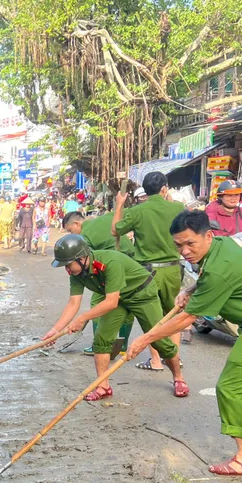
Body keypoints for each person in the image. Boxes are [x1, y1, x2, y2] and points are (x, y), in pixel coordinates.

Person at [127, 210, 242, 476]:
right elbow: (209, 276)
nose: (184, 251)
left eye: (190, 243)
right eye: (179, 245)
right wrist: (190, 289)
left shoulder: (220, 267)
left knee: (230, 387)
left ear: (208, 235)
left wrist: (146, 338)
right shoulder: (221, 244)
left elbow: (187, 319)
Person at [43, 234, 187, 401]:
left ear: (81, 258)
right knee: (101, 339)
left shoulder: (110, 262)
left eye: (68, 265)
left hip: (142, 293)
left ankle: (178, 378)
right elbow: (73, 303)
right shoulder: (77, 273)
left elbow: (110, 302)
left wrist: (82, 318)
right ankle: (103, 386)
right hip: (118, 299)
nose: (67, 270)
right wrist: (55, 331)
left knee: (158, 339)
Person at [113, 172, 186, 375]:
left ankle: (156, 360)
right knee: (173, 314)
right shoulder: (177, 208)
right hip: (172, 269)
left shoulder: (137, 211)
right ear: (164, 188)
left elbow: (115, 230)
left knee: (151, 317)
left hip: (146, 271)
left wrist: (119, 205)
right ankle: (175, 358)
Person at [63, 211, 135, 354]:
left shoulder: (83, 238)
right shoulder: (107, 217)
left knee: (97, 302)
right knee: (128, 302)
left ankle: (98, 343)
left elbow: (88, 263)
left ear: (77, 224)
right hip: (132, 263)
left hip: (114, 266)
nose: (72, 235)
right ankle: (122, 344)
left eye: (70, 231)